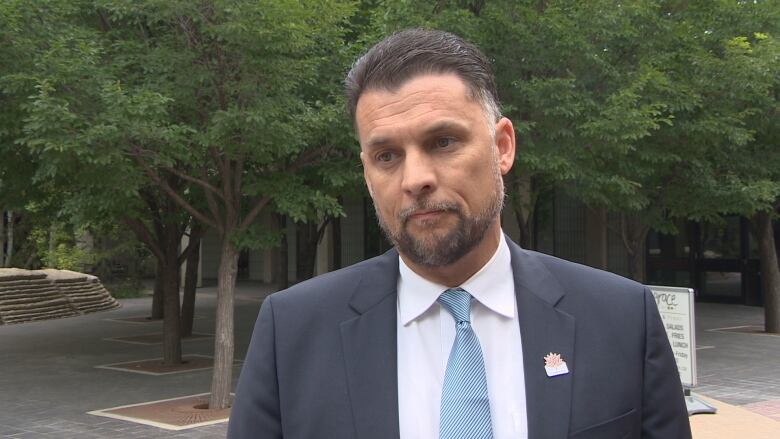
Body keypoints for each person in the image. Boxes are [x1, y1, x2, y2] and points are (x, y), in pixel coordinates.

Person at [228, 28, 691, 439]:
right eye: (386, 155)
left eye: (443, 142)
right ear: (366, 172)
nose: (415, 179)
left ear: (502, 146)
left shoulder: (621, 319)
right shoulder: (291, 333)